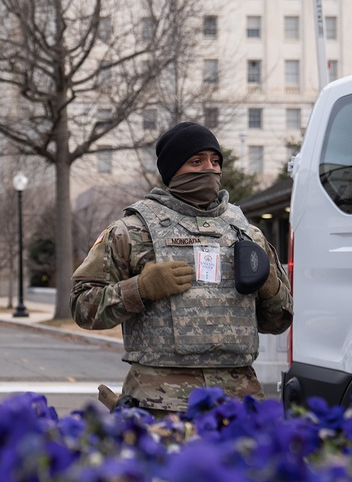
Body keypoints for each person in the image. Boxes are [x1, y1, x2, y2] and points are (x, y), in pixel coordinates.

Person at [70, 121, 293, 416]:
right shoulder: (131, 231)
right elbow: (82, 306)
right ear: (173, 170)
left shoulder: (247, 234)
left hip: (238, 406)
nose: (209, 169)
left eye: (215, 161)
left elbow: (279, 321)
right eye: (196, 161)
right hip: (160, 404)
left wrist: (269, 287)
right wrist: (139, 289)